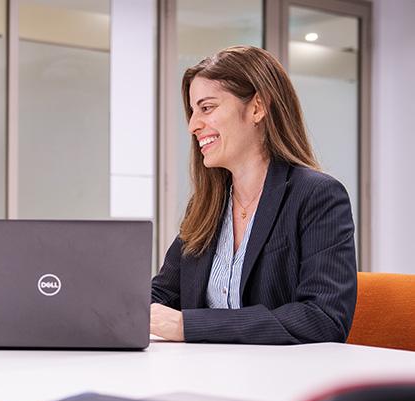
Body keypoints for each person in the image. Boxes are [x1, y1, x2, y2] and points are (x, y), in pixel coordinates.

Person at [150, 46, 356, 344]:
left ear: (257, 107)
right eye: (193, 111)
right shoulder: (206, 205)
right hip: (199, 375)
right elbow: (163, 295)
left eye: (206, 108)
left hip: (279, 382)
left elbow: (323, 318)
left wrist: (190, 326)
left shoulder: (317, 196)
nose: (193, 125)